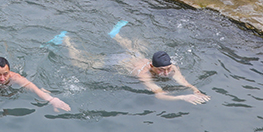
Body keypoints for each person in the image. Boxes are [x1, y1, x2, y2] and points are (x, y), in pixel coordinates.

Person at [63, 31, 210, 104]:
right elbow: (159, 94)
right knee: (79, 62)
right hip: (119, 62)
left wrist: (194, 90)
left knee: (133, 49)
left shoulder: (172, 68)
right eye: (161, 70)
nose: (166, 73)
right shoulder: (144, 74)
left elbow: (183, 82)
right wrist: (183, 97)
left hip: (136, 56)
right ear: (152, 66)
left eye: (168, 68)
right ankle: (67, 41)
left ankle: (115, 34)